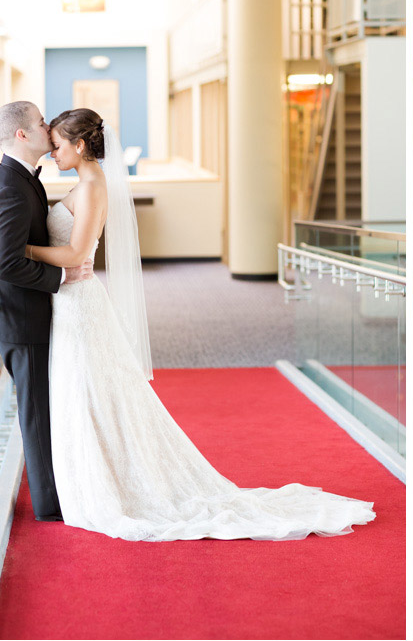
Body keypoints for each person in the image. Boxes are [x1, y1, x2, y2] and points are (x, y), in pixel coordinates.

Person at [21, 106, 375, 542]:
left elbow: (77, 255)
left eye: (57, 145)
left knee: (93, 389)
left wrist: (25, 251)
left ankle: (109, 483)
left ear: (79, 145)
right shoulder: (86, 182)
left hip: (79, 301)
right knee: (89, 391)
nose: (52, 152)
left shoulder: (93, 186)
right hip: (72, 301)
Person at [0, 101, 94, 522]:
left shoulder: (23, 178)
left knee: (45, 406)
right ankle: (50, 506)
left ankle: (57, 492)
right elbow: (7, 262)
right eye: (42, 123)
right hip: (22, 318)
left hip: (31, 313)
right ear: (23, 135)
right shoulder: (9, 185)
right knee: (36, 413)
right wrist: (61, 280)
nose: (49, 128)